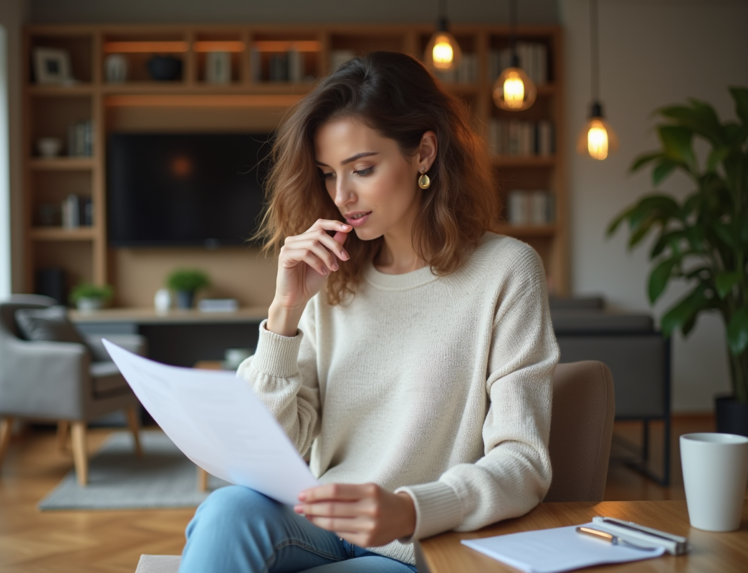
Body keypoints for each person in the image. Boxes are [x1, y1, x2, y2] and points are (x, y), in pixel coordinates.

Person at [179, 51, 560, 572]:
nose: (342, 196)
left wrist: (410, 510)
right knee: (225, 510)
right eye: (328, 174)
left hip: (416, 541)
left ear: (424, 152)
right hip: (319, 521)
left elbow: (524, 463)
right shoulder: (331, 279)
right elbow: (271, 453)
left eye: (362, 169)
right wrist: (286, 310)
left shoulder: (507, 271)